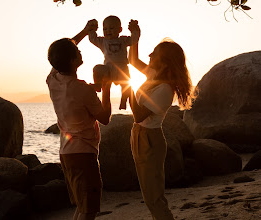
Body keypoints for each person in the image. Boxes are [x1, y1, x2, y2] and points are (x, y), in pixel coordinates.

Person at [127, 20, 195, 220]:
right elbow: (132, 60)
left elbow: (139, 115)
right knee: (150, 196)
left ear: (164, 62)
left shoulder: (165, 89)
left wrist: (127, 89)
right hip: (139, 135)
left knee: (154, 198)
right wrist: (135, 38)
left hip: (149, 139)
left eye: (154, 53)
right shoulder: (154, 76)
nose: (149, 56)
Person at [46, 21, 112, 220]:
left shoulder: (53, 80)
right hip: (83, 154)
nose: (79, 51)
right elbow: (105, 118)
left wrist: (84, 32)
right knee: (88, 210)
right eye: (77, 51)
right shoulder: (81, 89)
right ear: (73, 60)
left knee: (81, 207)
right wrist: (107, 87)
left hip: (66, 153)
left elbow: (61, 52)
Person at [88, 15, 140, 110]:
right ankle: (98, 84)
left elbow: (133, 40)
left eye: (111, 28)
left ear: (120, 29)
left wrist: (135, 31)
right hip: (109, 68)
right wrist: (91, 30)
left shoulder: (123, 40)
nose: (108, 31)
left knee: (126, 85)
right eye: (105, 29)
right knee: (97, 68)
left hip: (122, 68)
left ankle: (123, 101)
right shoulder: (102, 41)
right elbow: (93, 39)